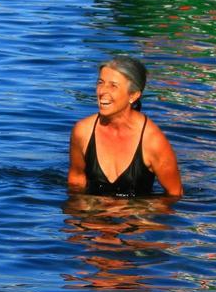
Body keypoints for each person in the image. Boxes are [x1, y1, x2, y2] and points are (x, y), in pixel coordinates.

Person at [67, 56, 182, 197]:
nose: (102, 91)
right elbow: (76, 181)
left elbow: (175, 194)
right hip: (93, 213)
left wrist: (139, 212)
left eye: (113, 86)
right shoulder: (83, 131)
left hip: (136, 215)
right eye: (100, 82)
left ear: (133, 95)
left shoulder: (153, 141)